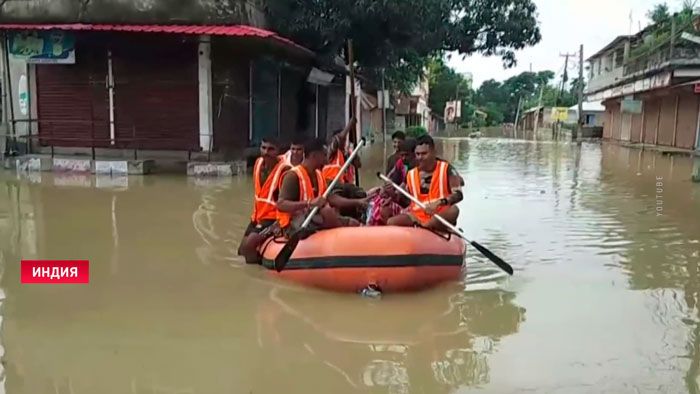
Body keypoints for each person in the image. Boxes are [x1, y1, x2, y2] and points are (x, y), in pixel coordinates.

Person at [277, 137, 360, 237]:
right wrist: (309, 203)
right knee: (327, 212)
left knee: (352, 223)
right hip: (294, 223)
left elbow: (330, 197)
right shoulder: (293, 176)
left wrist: (358, 202)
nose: (327, 159)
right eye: (324, 155)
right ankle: (338, 235)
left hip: (314, 216)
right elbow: (281, 205)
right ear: (314, 156)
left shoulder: (319, 174)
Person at [387, 134, 463, 230]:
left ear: (433, 153)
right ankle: (422, 228)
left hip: (440, 214)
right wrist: (391, 194)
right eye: (418, 154)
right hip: (417, 216)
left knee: (454, 210)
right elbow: (401, 196)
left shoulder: (446, 169)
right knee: (391, 222)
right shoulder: (411, 174)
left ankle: (425, 227)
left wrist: (439, 203)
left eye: (424, 154)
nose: (420, 158)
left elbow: (459, 195)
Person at [237, 137, 290, 263]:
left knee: (249, 245)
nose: (266, 152)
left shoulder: (285, 171)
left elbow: (287, 199)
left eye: (271, 149)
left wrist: (281, 224)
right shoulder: (258, 163)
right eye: (263, 148)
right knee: (241, 250)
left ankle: (254, 276)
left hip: (273, 218)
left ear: (278, 151)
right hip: (258, 216)